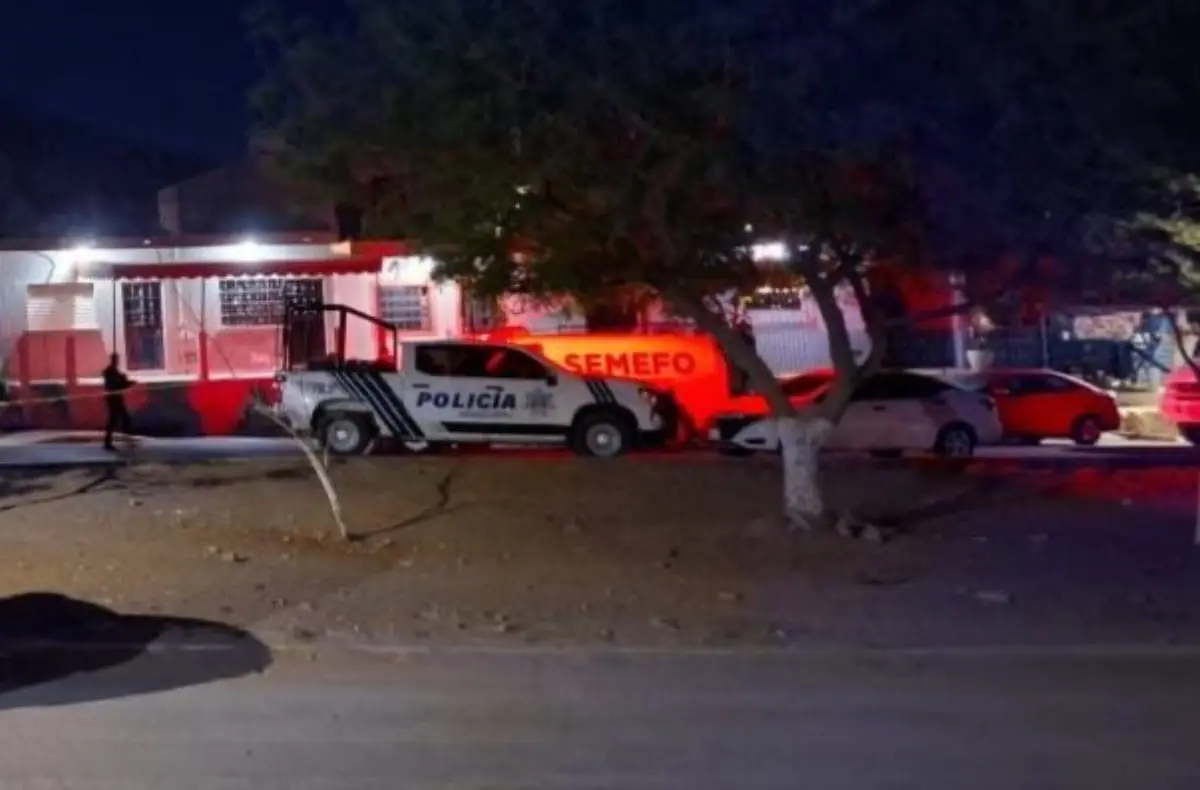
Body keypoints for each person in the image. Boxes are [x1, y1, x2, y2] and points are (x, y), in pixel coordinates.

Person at [102, 353, 134, 451]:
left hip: (117, 398)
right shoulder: (110, 372)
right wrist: (126, 382)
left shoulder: (114, 372)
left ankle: (125, 439)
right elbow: (116, 385)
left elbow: (121, 384)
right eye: (116, 359)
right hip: (113, 399)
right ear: (113, 360)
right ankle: (108, 442)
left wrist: (128, 383)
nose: (117, 361)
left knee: (124, 419)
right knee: (115, 420)